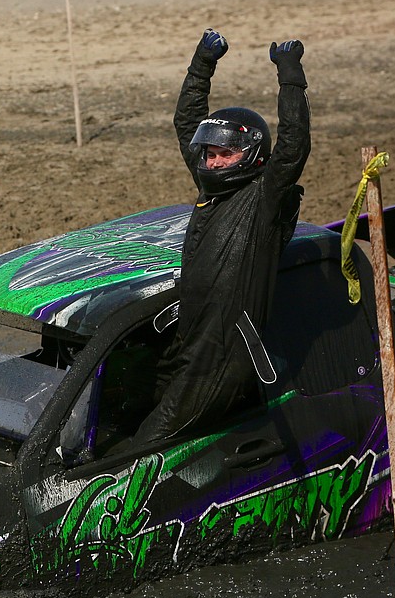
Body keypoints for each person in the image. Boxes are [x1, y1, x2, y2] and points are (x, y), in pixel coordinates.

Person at [133, 28, 310, 445]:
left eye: (223, 153)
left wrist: (290, 75)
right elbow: (186, 121)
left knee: (147, 446)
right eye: (209, 153)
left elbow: (294, 144)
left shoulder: (264, 199)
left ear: (251, 156)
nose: (212, 161)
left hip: (225, 358)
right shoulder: (209, 186)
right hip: (187, 341)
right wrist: (202, 64)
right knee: (130, 406)